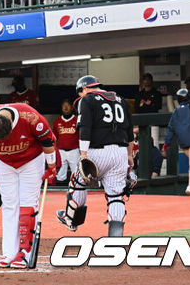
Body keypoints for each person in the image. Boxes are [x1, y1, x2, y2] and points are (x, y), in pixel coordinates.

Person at [0, 101, 57, 269]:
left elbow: (48, 143)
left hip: (31, 160)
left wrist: (51, 167)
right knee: (9, 205)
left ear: (12, 127)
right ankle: (9, 253)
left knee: (27, 203)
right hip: (4, 162)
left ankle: (24, 252)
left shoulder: (32, 118)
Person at [56, 75, 134, 237]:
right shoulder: (120, 99)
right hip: (120, 152)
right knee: (116, 196)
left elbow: (85, 128)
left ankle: (71, 221)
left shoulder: (87, 100)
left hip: (96, 151)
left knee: (77, 183)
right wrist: (129, 155)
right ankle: (115, 238)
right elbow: (129, 132)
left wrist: (83, 154)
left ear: (84, 89)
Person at [53, 99, 79, 183]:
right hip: (61, 151)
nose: (66, 107)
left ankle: (76, 194)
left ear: (72, 107)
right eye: (64, 106)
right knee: (60, 176)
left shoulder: (77, 120)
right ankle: (60, 194)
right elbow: (54, 137)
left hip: (74, 150)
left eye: (68, 105)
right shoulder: (57, 121)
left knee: (77, 175)